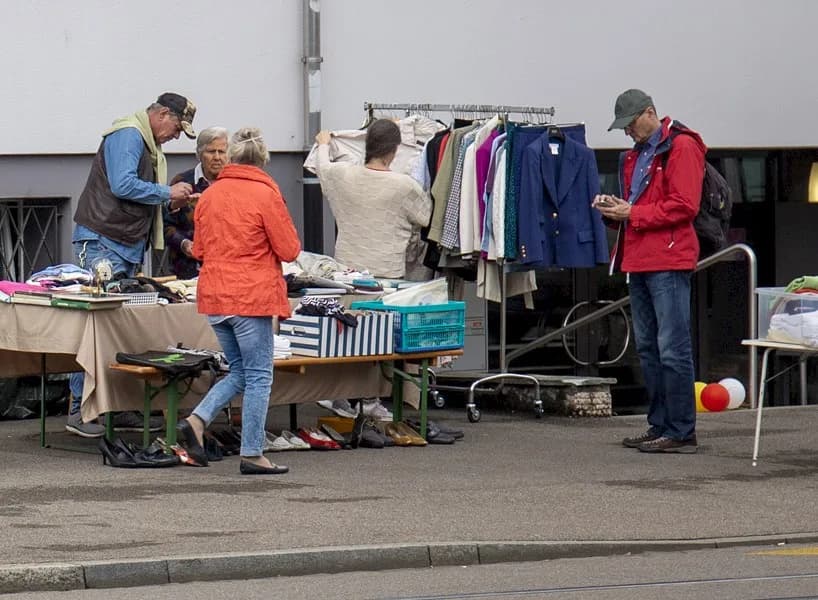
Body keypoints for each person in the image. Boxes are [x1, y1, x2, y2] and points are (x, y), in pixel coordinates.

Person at [66, 92, 198, 438]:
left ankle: (111, 406)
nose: (176, 136)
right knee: (93, 326)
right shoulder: (128, 135)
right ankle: (80, 409)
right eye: (177, 128)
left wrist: (167, 201)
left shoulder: (142, 140)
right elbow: (123, 184)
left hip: (119, 243)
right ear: (163, 114)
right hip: (103, 241)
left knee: (111, 328)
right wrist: (166, 194)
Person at [176, 127, 301, 475]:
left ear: (230, 157)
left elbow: (198, 250)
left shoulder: (211, 195)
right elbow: (290, 249)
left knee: (241, 372)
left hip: (215, 297)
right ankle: (252, 453)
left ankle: (197, 420)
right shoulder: (266, 194)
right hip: (251, 297)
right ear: (262, 161)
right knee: (260, 376)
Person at [593, 89, 706, 454]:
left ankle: (680, 430)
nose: (628, 133)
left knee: (671, 348)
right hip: (640, 257)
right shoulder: (636, 155)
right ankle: (661, 425)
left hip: (669, 259)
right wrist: (615, 211)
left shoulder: (681, 146)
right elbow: (642, 208)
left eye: (630, 125)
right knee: (649, 348)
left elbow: (685, 206)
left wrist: (632, 214)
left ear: (650, 113)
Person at [314, 119, 432, 421]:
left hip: (347, 274)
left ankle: (341, 397)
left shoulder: (342, 175)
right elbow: (426, 217)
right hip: (386, 275)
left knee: (346, 338)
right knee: (379, 343)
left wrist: (325, 142)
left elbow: (323, 167)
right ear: (394, 151)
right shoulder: (405, 186)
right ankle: (370, 400)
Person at [164, 127, 229, 279]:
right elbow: (165, 225)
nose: (217, 157)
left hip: (227, 270)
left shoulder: (234, 184)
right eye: (211, 152)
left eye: (222, 152)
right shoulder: (183, 182)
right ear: (199, 154)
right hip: (187, 271)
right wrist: (184, 243)